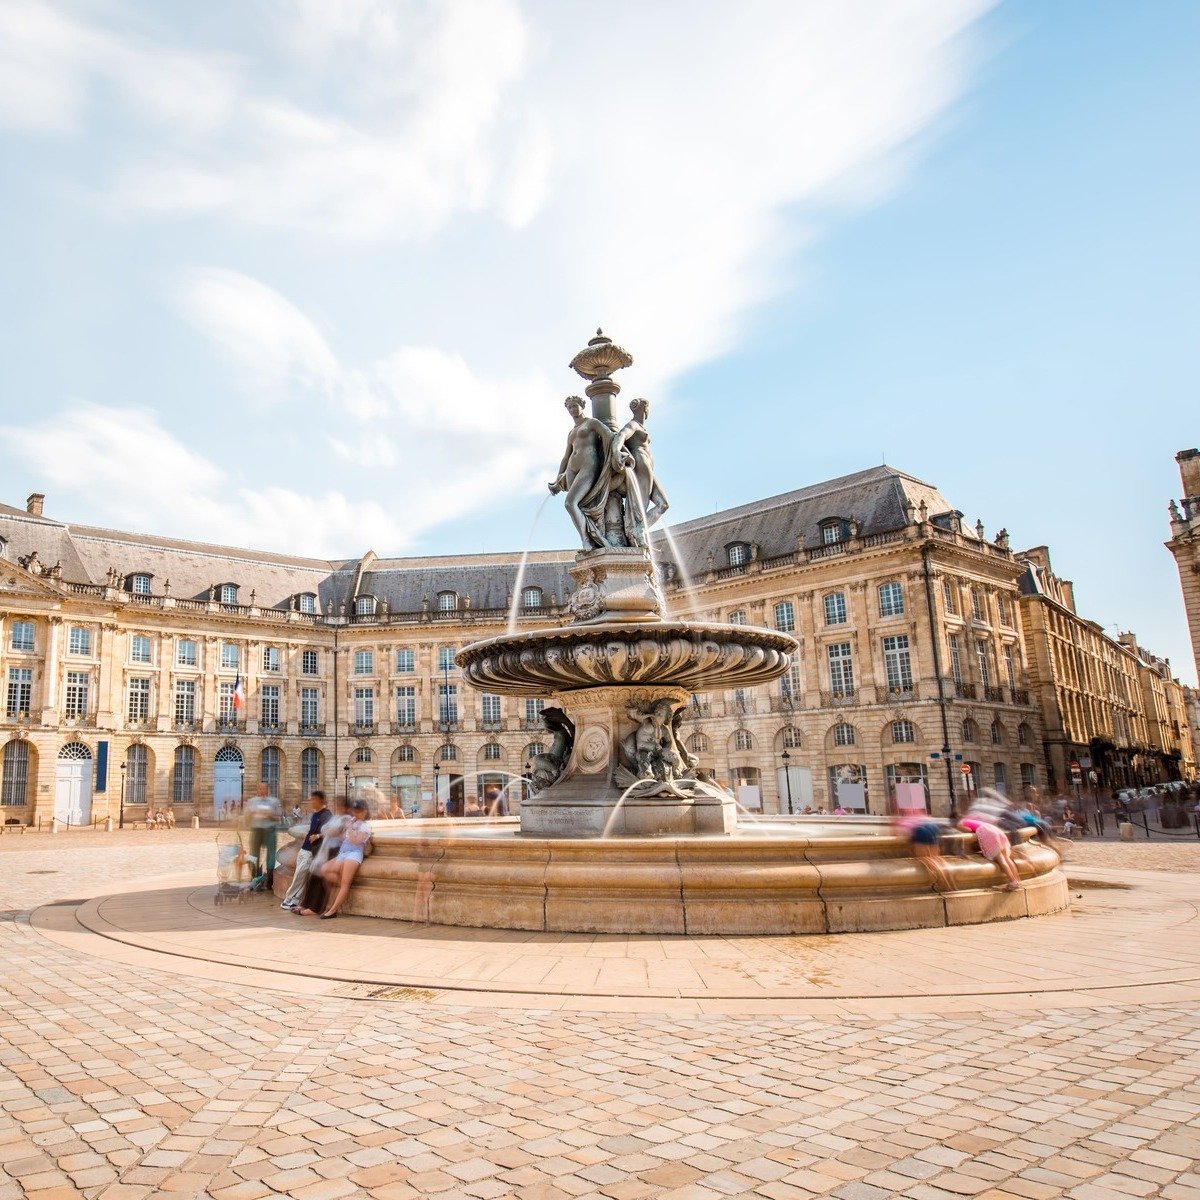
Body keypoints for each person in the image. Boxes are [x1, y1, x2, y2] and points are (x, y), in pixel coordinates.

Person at [311, 798, 372, 919]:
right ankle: (346, 889)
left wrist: (350, 828)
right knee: (325, 870)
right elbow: (342, 836)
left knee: (344, 882)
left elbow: (356, 841)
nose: (356, 813)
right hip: (343, 853)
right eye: (355, 811)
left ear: (365, 812)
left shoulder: (365, 826)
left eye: (359, 811)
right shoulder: (352, 822)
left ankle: (333, 910)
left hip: (354, 854)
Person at [280, 790, 331, 911]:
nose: (311, 802)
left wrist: (318, 836)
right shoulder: (315, 815)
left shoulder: (326, 815)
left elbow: (330, 830)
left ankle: (290, 899)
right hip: (305, 848)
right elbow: (311, 830)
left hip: (311, 850)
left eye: (313, 799)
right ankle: (293, 900)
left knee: (300, 875)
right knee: (300, 875)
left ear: (321, 801)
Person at [959, 815, 1022, 889]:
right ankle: (1018, 880)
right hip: (995, 830)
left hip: (987, 833)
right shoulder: (970, 819)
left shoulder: (960, 823)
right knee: (1007, 858)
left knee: (1000, 858)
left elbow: (968, 830)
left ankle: (1013, 881)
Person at [245, 784, 283, 886]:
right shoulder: (252, 802)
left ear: (268, 790)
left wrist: (270, 815)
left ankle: (270, 879)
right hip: (256, 830)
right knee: (254, 854)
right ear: (257, 790)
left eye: (265, 788)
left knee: (271, 855)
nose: (263, 790)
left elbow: (279, 818)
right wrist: (251, 814)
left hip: (270, 830)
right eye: (260, 788)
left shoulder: (274, 802)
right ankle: (255, 877)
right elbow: (247, 817)